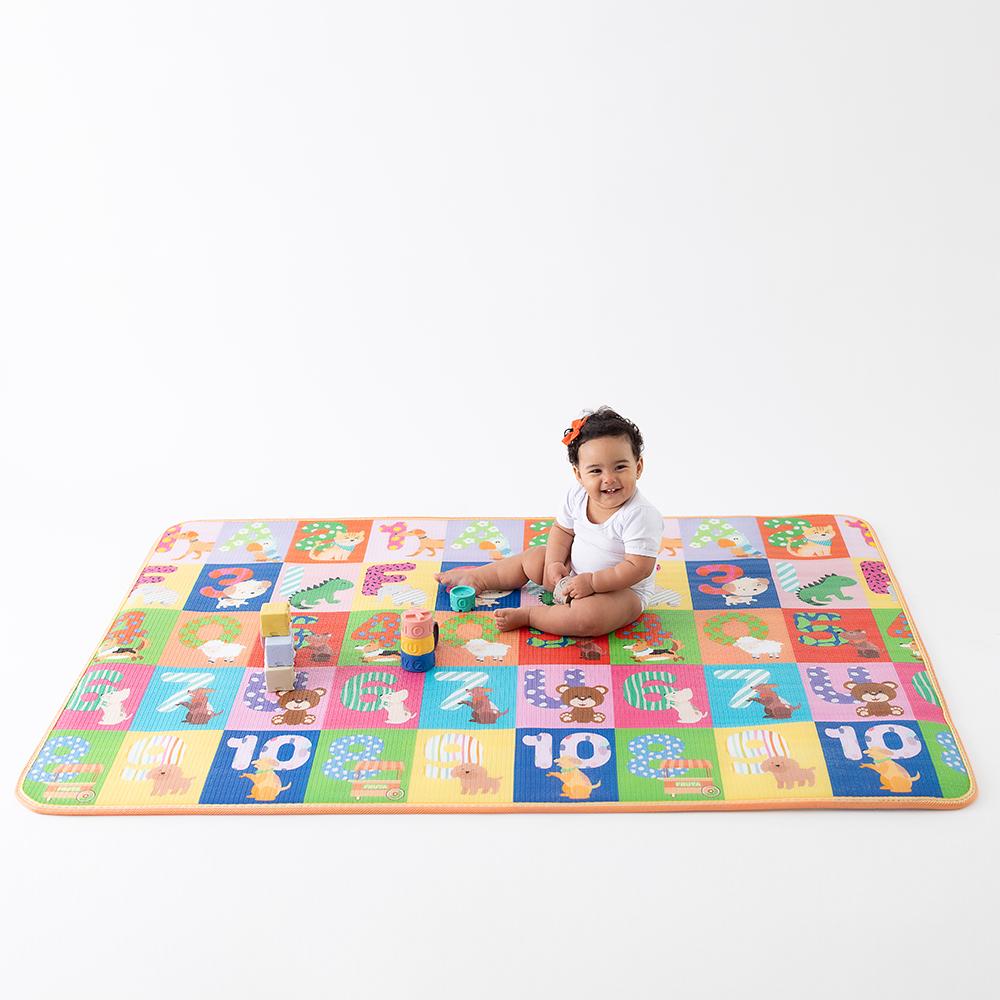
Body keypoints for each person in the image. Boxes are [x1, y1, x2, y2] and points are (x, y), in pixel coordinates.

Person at [434, 406, 663, 636]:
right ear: (579, 475)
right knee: (533, 558)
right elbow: (562, 531)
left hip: (622, 590)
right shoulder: (577, 495)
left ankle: (531, 616)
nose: (609, 479)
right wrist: (555, 563)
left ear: (638, 467)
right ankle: (478, 578)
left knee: (590, 617)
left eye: (620, 467)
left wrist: (593, 583)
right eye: (596, 471)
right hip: (572, 574)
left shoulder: (640, 515)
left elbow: (638, 568)